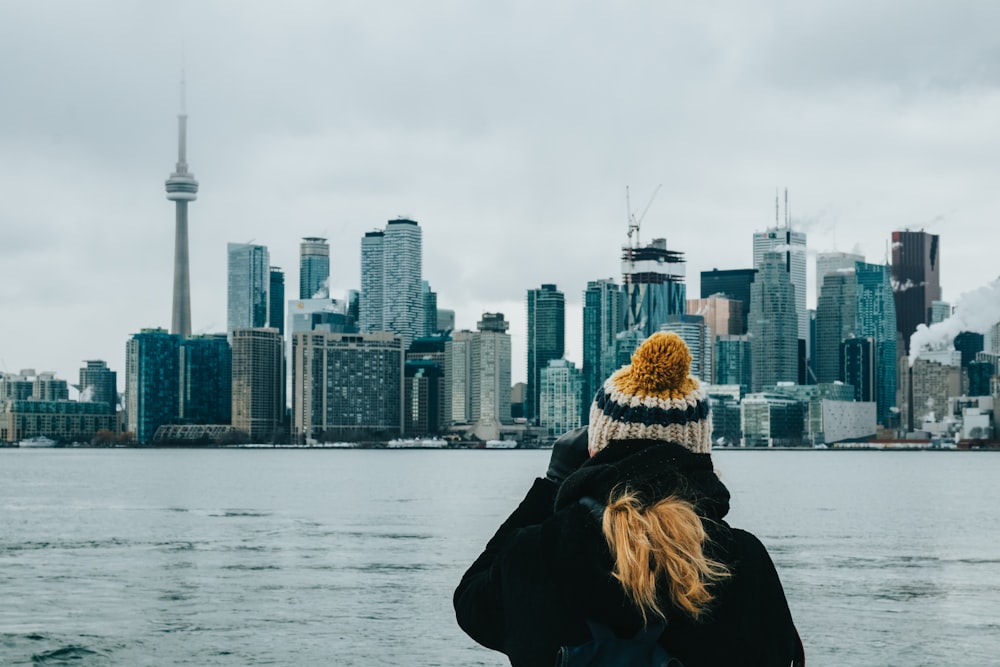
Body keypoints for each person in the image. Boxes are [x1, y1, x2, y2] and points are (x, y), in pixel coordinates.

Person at [454, 331, 804, 666]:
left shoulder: (536, 552)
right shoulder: (742, 561)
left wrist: (551, 485)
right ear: (699, 452)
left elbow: (471, 606)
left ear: (592, 449)